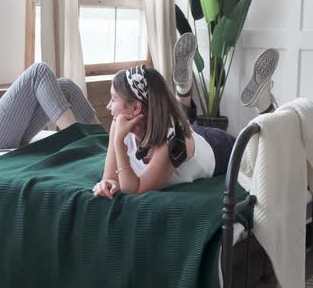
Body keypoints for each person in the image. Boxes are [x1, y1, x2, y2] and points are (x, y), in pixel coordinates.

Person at [93, 33, 279, 197]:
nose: (108, 106)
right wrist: (106, 183)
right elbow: (110, 179)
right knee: (182, 125)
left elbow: (134, 189)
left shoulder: (171, 142)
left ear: (135, 108)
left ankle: (266, 107)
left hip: (218, 148)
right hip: (190, 134)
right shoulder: (118, 125)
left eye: (113, 99)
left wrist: (118, 143)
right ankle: (183, 89)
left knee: (264, 153)